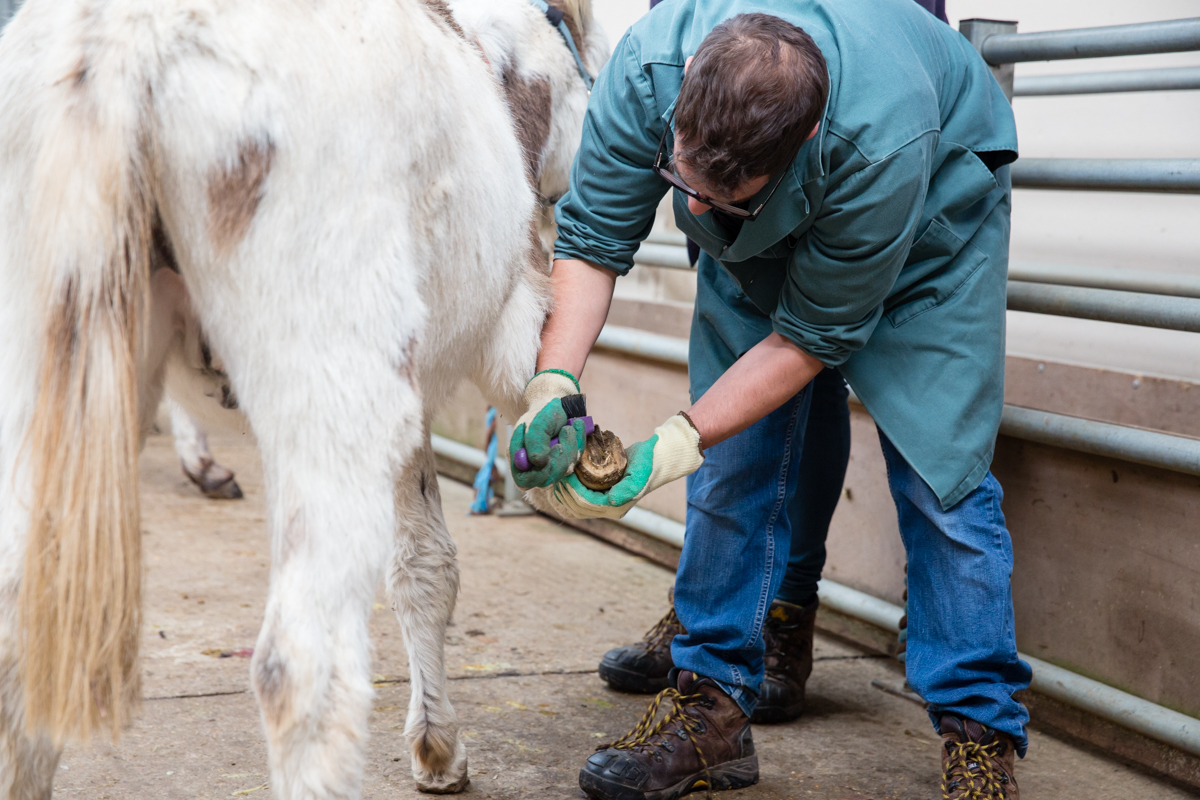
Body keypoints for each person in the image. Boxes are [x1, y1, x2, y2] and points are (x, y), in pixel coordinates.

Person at [509, 1, 1030, 798]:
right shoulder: (650, 69)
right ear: (679, 110)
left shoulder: (877, 143)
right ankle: (708, 712)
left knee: (940, 474)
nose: (693, 210)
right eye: (682, 181)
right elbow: (591, 239)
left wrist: (664, 450)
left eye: (726, 195)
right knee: (739, 457)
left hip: (932, 220)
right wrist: (556, 384)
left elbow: (808, 340)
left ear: (801, 149)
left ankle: (979, 733)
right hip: (772, 209)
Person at [594, 0, 953, 731]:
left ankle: (783, 615)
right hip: (736, 108)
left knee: (815, 369)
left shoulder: (875, 115)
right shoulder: (671, 64)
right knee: (754, 394)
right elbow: (594, 230)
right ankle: (719, 615)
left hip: (834, 126)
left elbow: (810, 340)